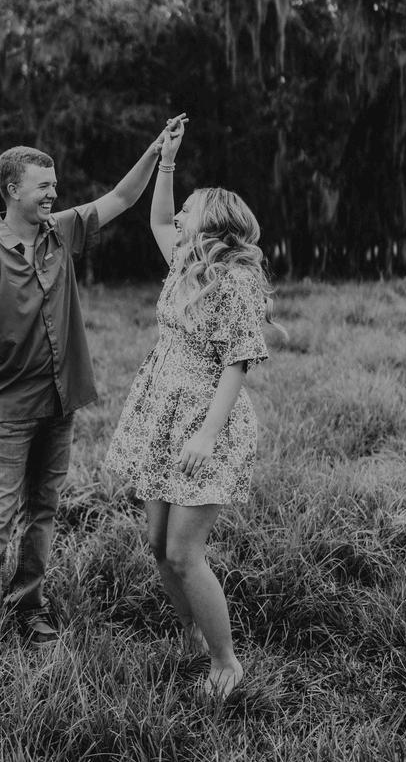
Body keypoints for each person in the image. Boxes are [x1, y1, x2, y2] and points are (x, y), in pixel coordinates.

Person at [0, 115, 187, 644]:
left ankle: (27, 607)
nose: (53, 193)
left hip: (59, 403)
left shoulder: (61, 231)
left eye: (54, 185)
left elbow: (121, 198)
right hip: (8, 410)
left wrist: (156, 152)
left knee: (43, 513)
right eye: (43, 186)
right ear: (13, 190)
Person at [105, 118, 282, 699]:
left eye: (189, 210)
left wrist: (206, 434)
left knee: (184, 552)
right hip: (162, 412)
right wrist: (167, 160)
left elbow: (239, 361)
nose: (178, 216)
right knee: (159, 546)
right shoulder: (185, 265)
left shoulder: (235, 281)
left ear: (213, 223)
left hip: (205, 420)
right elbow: (157, 219)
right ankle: (193, 635)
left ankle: (226, 663)